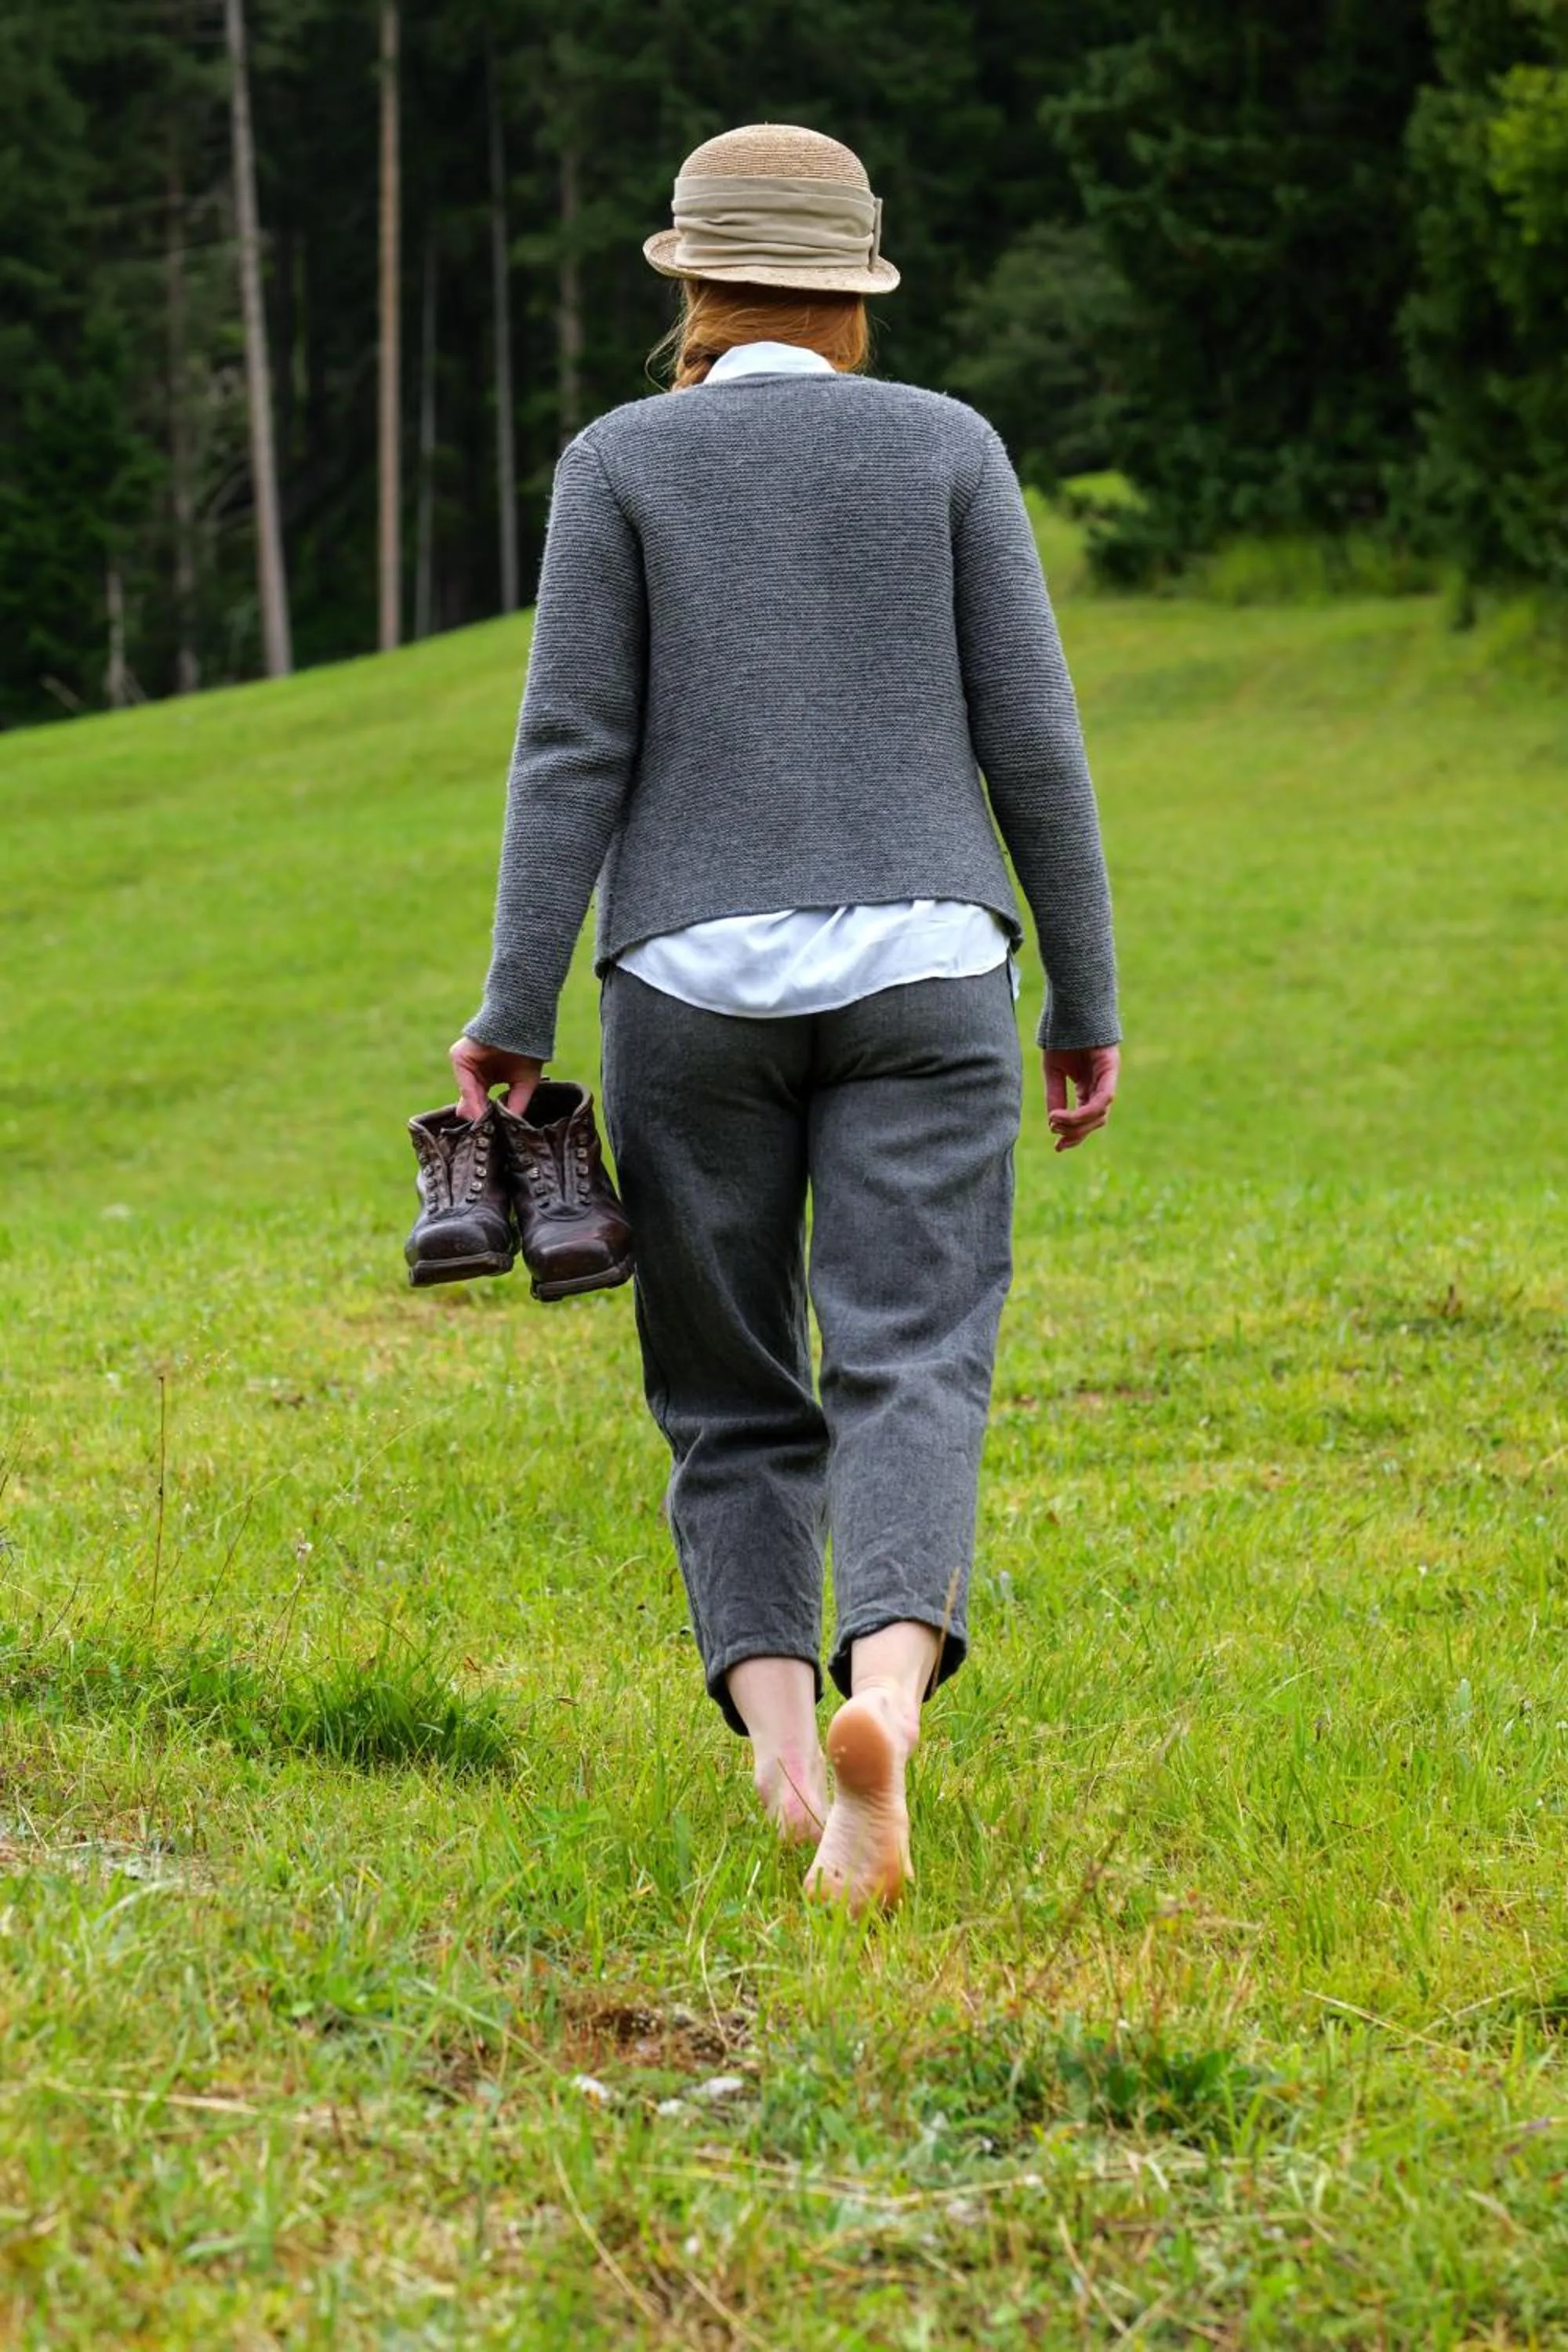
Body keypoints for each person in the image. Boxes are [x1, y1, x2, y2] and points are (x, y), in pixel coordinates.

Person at [451, 124, 1120, 1915]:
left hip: (687, 981)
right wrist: (1084, 991)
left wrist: (517, 1005)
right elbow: (1033, 743)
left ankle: (773, 1749)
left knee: (730, 1390)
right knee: (910, 1350)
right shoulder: (949, 449)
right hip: (929, 967)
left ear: (691, 279)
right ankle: (884, 1695)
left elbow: (571, 748)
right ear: (853, 294)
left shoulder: (622, 460)